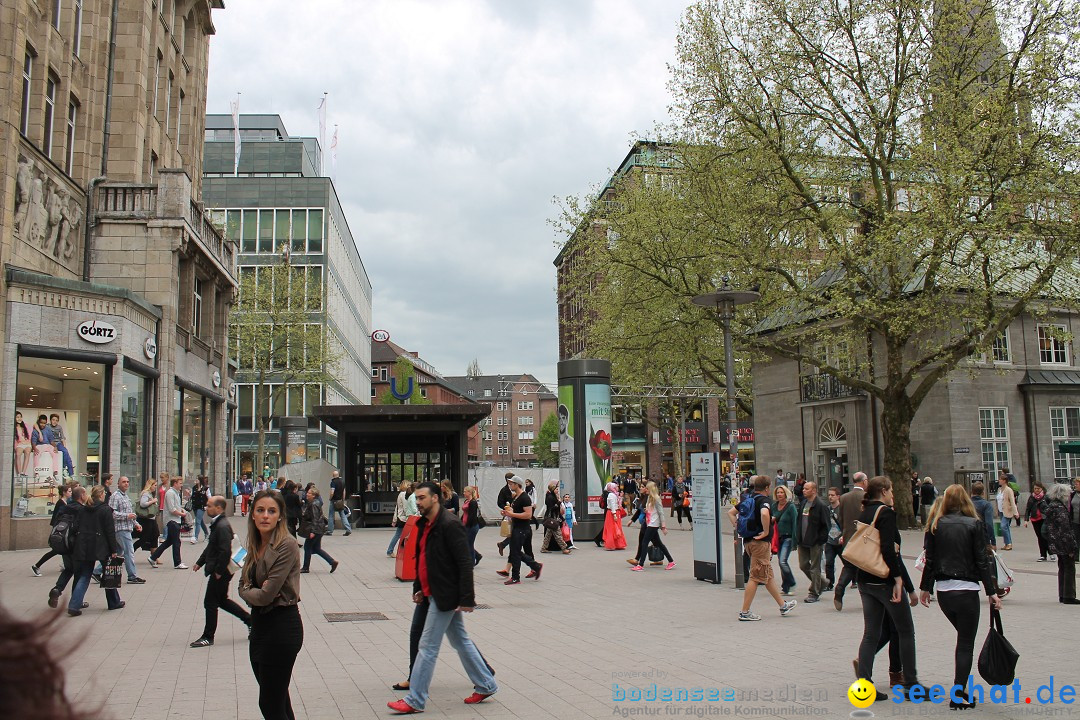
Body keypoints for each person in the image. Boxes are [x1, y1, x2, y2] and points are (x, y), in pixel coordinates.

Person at [387, 482, 498, 714]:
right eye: (416, 498)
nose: (417, 502)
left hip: (445, 594)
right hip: (431, 592)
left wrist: (467, 598)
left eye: (422, 498)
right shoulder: (426, 523)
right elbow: (423, 558)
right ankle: (487, 683)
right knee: (460, 641)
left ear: (435, 498)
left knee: (427, 645)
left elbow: (465, 561)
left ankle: (415, 699)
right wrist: (418, 587)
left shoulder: (450, 524)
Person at [918, 484, 1001, 709]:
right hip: (967, 590)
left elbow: (930, 559)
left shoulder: (936, 525)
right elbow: (981, 560)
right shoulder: (974, 524)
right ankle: (957, 694)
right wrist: (992, 592)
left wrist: (925, 587)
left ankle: (960, 691)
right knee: (965, 642)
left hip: (944, 592)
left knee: (963, 638)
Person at [239, 490, 303, 720]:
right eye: (260, 510)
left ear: (280, 517)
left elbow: (266, 594)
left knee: (269, 704)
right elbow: (241, 585)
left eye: (272, 511)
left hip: (282, 627)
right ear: (252, 515)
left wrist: (249, 590)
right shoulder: (255, 545)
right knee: (278, 699)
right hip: (259, 627)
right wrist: (250, 590)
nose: (266, 516)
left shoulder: (287, 545)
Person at [855, 476, 919, 701]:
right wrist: (899, 579)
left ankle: (864, 685)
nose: (893, 494)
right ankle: (911, 684)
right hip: (884, 580)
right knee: (905, 630)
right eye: (890, 490)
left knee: (871, 633)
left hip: (864, 578)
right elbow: (890, 550)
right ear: (883, 491)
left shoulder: (864, 512)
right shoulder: (886, 513)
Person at [727, 475, 796, 621]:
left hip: (749, 541)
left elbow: (731, 513)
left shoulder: (748, 499)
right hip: (760, 543)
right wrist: (765, 531)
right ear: (767, 488)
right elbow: (764, 513)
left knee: (767, 575)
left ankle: (783, 605)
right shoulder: (764, 500)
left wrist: (739, 528)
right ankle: (745, 612)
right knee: (755, 576)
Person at [190, 495, 252, 647]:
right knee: (221, 601)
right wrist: (200, 562)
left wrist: (218, 571)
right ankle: (250, 621)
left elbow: (225, 551)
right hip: (220, 570)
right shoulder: (218, 524)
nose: (206, 507)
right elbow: (212, 546)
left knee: (210, 602)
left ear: (219, 508)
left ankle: (208, 636)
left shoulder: (222, 525)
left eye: (210, 505)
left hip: (221, 571)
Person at [68, 485, 123, 616]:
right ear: (101, 494)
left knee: (85, 575)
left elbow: (75, 527)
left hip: (85, 545)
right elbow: (110, 531)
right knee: (109, 573)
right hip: (101, 546)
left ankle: (74, 605)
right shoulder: (105, 510)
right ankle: (113, 602)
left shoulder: (83, 509)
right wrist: (113, 549)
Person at [833, 471, 869, 611]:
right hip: (864, 538)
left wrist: (845, 532)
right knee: (866, 569)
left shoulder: (844, 497)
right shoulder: (866, 497)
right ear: (864, 481)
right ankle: (868, 598)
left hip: (849, 537)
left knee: (849, 566)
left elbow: (840, 518)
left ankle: (840, 588)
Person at [1040, 483, 1079, 604]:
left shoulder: (1052, 507)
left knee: (1062, 567)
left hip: (1056, 542)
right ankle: (1069, 596)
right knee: (1069, 568)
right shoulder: (1060, 509)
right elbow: (1066, 530)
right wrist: (1072, 547)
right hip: (1063, 543)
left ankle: (1062, 594)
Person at [500, 475, 543, 585]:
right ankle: (535, 566)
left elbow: (528, 515)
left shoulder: (525, 498)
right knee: (516, 552)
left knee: (515, 553)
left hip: (522, 529)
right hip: (517, 527)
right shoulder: (516, 497)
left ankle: (516, 577)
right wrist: (507, 512)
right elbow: (516, 510)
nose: (510, 486)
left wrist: (512, 513)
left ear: (517, 485)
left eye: (511, 484)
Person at [47, 485, 83, 609]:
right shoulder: (81, 510)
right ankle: (76, 600)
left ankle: (57, 589)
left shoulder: (64, 508)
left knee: (68, 569)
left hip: (63, 543)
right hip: (75, 545)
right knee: (78, 572)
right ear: (82, 496)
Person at [795, 481, 830, 603]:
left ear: (814, 490)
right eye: (804, 488)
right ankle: (823, 582)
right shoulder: (804, 503)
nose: (804, 490)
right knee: (803, 565)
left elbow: (826, 525)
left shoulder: (820, 505)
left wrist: (820, 540)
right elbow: (800, 520)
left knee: (815, 568)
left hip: (815, 541)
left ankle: (814, 592)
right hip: (803, 539)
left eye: (807, 489)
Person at [32, 481, 77, 576]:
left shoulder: (66, 502)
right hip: (60, 529)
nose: (71, 492)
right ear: (64, 492)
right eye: (69, 491)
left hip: (62, 528)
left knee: (64, 548)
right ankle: (37, 565)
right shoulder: (61, 503)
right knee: (57, 550)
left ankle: (68, 566)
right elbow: (57, 517)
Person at [108, 476, 147, 584]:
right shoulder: (115, 496)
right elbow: (112, 513)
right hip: (121, 529)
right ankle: (132, 576)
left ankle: (97, 571)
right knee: (129, 552)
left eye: (127, 482)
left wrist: (136, 524)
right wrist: (126, 516)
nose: (126, 484)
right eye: (123, 482)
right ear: (118, 484)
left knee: (117, 552)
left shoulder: (125, 496)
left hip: (127, 527)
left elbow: (131, 514)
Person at [630, 481, 675, 571]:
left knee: (644, 542)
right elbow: (651, 510)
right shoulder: (649, 498)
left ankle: (641, 564)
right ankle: (671, 561)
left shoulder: (656, 498)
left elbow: (661, 512)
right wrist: (647, 511)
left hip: (653, 524)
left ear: (650, 489)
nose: (645, 489)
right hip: (649, 522)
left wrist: (663, 526)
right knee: (659, 543)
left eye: (647, 488)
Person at [149, 476, 187, 569]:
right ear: (175, 483)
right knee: (177, 542)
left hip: (176, 519)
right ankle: (177, 563)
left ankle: (153, 557)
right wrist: (182, 515)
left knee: (169, 541)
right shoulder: (170, 493)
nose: (181, 485)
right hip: (172, 521)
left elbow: (176, 506)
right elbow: (171, 509)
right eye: (180, 483)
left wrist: (181, 510)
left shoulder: (176, 493)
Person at [299, 487, 338, 574]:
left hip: (316, 529)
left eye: (309, 493)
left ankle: (305, 567)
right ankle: (332, 562)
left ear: (313, 495)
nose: (307, 494)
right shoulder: (315, 503)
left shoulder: (313, 504)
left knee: (307, 547)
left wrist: (313, 531)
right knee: (316, 548)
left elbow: (315, 518)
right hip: (320, 529)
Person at [773, 485, 797, 595]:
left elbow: (795, 523)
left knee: (783, 561)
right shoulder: (774, 506)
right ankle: (785, 587)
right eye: (778, 493)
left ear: (786, 493)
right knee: (781, 562)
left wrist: (795, 540)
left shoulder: (790, 507)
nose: (779, 495)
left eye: (781, 492)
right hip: (778, 538)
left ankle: (792, 583)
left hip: (788, 537)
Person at [539, 480, 571, 554]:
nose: (557, 490)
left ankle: (544, 548)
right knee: (558, 534)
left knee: (548, 534)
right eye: (556, 489)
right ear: (553, 489)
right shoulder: (550, 497)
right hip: (552, 518)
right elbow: (551, 508)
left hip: (554, 518)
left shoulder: (554, 497)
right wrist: (558, 502)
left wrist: (562, 518)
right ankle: (564, 548)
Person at [1025, 480, 1052, 561]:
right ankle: (1043, 555)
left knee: (1045, 535)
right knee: (1040, 537)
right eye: (1035, 488)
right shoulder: (1032, 497)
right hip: (1035, 519)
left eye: (1038, 488)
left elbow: (1050, 507)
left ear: (1041, 489)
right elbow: (1028, 509)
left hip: (1044, 518)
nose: (1036, 490)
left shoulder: (1046, 497)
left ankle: (1050, 552)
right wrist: (1026, 520)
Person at [823, 486, 843, 591]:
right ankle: (830, 583)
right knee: (829, 562)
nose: (830, 497)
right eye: (829, 495)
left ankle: (854, 579)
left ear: (838, 496)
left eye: (832, 495)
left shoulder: (842, 508)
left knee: (848, 563)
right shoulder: (827, 509)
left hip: (841, 540)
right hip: (830, 540)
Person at [969, 481, 997, 550]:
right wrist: (993, 542)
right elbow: (989, 524)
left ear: (971, 492)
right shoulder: (986, 505)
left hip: (968, 535)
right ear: (983, 493)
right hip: (982, 536)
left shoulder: (967, 504)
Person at [136, 477, 160, 555]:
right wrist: (153, 501)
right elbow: (143, 504)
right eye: (155, 485)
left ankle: (154, 555)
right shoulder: (146, 493)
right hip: (146, 518)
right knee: (145, 537)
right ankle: (132, 550)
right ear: (150, 485)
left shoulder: (150, 494)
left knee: (155, 534)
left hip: (151, 518)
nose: (155, 487)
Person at [461, 485, 483, 566]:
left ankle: (471, 561)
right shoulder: (466, 501)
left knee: (469, 543)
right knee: (467, 543)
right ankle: (476, 556)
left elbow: (472, 516)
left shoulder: (473, 502)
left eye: (465, 491)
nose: (463, 493)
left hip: (472, 526)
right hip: (466, 524)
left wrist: (467, 525)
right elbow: (464, 514)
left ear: (469, 492)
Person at [601, 481, 627, 550]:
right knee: (613, 528)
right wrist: (614, 514)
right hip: (612, 512)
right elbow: (612, 505)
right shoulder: (611, 495)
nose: (617, 488)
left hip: (614, 512)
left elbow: (617, 504)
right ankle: (613, 544)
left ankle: (616, 544)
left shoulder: (614, 494)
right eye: (616, 487)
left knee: (616, 528)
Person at [388, 481, 410, 557]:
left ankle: (391, 550)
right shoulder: (404, 494)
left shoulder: (400, 494)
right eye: (409, 485)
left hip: (401, 517)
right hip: (404, 518)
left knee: (399, 535)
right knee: (400, 535)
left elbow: (397, 508)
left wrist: (394, 519)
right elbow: (405, 507)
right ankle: (391, 550)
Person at [48, 413, 74, 478]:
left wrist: (64, 446)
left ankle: (66, 469)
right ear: (50, 420)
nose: (55, 421)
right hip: (50, 443)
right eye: (53, 420)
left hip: (58, 443)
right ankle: (68, 471)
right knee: (66, 455)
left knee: (65, 452)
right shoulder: (47, 426)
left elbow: (62, 437)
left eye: (56, 420)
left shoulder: (59, 427)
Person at [495, 473, 515, 557]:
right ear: (507, 480)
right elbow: (499, 502)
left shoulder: (517, 489)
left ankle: (503, 545)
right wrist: (505, 507)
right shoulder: (504, 490)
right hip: (509, 514)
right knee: (512, 532)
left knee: (514, 533)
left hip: (516, 512)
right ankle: (512, 552)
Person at [326, 470, 352, 536]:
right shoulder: (342, 482)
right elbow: (344, 492)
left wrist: (330, 498)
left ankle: (330, 531)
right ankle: (348, 529)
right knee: (343, 515)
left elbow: (332, 491)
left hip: (334, 500)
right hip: (340, 501)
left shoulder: (333, 482)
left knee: (331, 516)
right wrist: (343, 500)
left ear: (333, 475)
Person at [995, 471, 1017, 550]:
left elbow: (1012, 501)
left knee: (1003, 526)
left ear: (1004, 481)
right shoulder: (999, 489)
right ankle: (1007, 543)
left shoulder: (1008, 490)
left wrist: (1015, 512)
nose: (999, 481)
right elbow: (997, 500)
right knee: (1006, 527)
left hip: (1007, 511)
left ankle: (1008, 543)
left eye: (1000, 479)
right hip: (1001, 511)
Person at [190, 477, 210, 544]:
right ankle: (207, 534)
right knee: (200, 521)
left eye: (197, 479)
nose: (196, 480)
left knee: (197, 522)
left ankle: (195, 537)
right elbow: (193, 496)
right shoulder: (194, 488)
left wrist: (207, 506)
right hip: (195, 506)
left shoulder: (205, 488)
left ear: (200, 480)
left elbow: (209, 498)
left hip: (201, 507)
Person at [14, 411, 32, 477]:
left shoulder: (26, 426)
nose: (19, 419)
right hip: (19, 444)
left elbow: (31, 432)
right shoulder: (14, 427)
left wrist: (28, 441)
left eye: (20, 417)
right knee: (18, 454)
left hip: (27, 443)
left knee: (27, 452)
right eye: (17, 417)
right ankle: (19, 473)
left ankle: (23, 472)